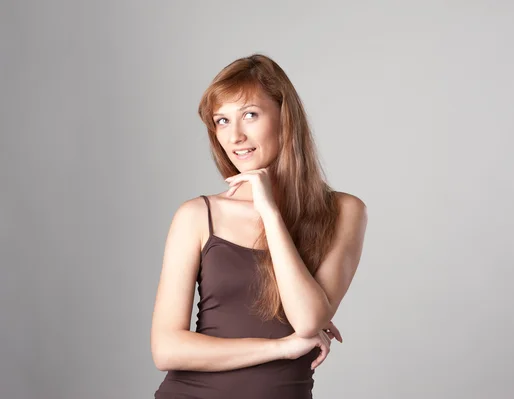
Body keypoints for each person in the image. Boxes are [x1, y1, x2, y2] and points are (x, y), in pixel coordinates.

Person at [150, 53, 368, 399]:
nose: (234, 136)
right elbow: (167, 349)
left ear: (286, 117)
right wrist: (283, 348)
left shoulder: (344, 211)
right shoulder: (196, 216)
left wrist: (269, 212)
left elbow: (309, 320)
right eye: (221, 121)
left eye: (249, 115)